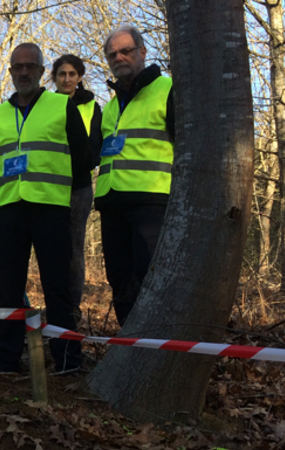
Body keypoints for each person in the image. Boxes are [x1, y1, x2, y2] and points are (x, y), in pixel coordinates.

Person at [0, 43, 92, 374]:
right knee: (8, 288)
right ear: (10, 72)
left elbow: (82, 158)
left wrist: (64, 198)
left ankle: (66, 361)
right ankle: (6, 358)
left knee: (56, 287)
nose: (23, 72)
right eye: (17, 67)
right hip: (8, 211)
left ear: (42, 71)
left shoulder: (61, 106)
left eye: (30, 66)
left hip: (50, 208)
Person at [95, 26, 174, 325]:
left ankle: (157, 344)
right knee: (119, 280)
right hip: (112, 203)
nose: (119, 57)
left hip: (151, 202)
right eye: (112, 54)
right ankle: (129, 344)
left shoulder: (167, 90)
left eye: (126, 50)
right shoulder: (112, 105)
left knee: (150, 278)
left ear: (142, 52)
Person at [52, 54, 103, 318]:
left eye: (72, 74)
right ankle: (54, 304)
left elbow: (96, 147)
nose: (67, 79)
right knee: (50, 246)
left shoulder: (91, 107)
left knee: (74, 248)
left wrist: (76, 167)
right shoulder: (46, 105)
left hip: (79, 186)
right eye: (62, 74)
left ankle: (71, 307)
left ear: (80, 77)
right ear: (54, 78)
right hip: (48, 185)